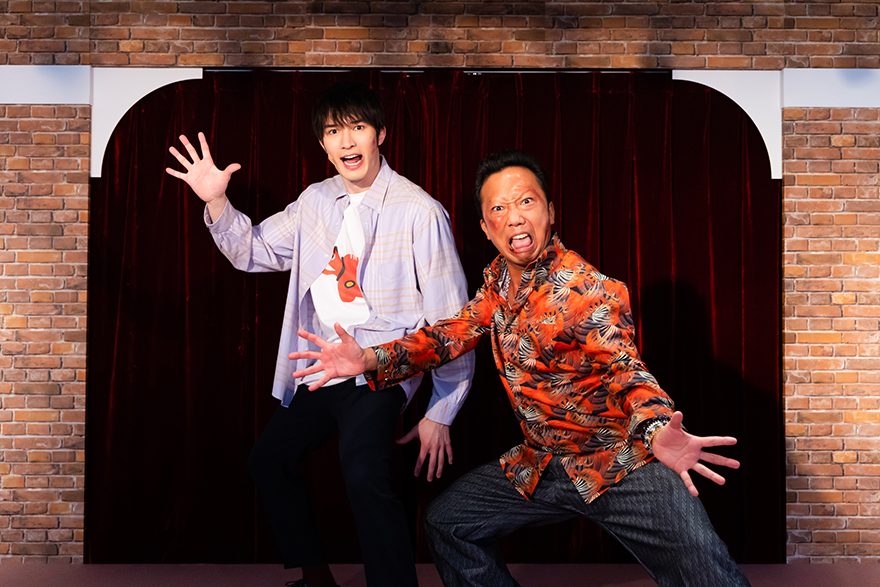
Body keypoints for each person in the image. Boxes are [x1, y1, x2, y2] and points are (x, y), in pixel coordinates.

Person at [290, 150, 752, 586]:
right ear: (486, 227)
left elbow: (625, 370)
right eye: (499, 208)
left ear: (549, 211)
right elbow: (449, 335)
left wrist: (655, 427)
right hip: (544, 463)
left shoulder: (589, 290)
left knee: (709, 571)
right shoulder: (498, 281)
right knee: (449, 523)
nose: (514, 217)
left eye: (526, 202)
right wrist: (369, 358)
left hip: (620, 463)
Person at [165, 82, 474, 587]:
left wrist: (442, 411)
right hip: (323, 366)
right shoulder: (315, 200)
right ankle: (316, 579)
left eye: (358, 128)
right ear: (323, 144)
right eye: (333, 132)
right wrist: (218, 201)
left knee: (365, 475)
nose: (346, 142)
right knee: (269, 461)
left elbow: (452, 325)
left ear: (380, 135)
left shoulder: (420, 211)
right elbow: (255, 251)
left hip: (378, 368)